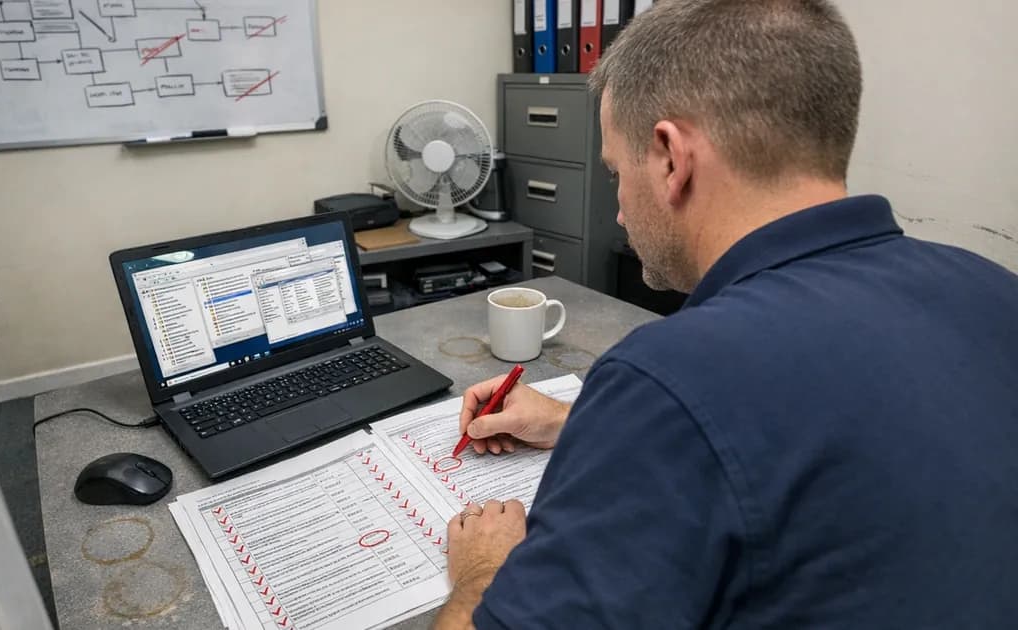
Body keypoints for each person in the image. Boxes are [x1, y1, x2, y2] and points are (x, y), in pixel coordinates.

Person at [434, 0, 1018, 628]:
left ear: (669, 157)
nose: (621, 212)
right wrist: (578, 423)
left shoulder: (667, 378)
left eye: (615, 173)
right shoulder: (995, 290)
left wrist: (486, 570)